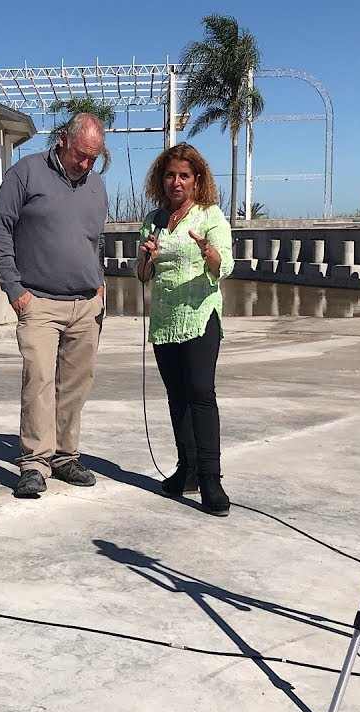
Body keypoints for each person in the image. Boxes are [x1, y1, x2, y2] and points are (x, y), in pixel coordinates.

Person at [0, 113, 109, 499]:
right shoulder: (25, 174)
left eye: (94, 158)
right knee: (38, 381)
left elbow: (95, 241)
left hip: (86, 305)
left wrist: (100, 283)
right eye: (81, 155)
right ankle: (35, 464)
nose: (86, 165)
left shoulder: (96, 187)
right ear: (62, 140)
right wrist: (14, 289)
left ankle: (65, 457)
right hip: (38, 301)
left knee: (75, 385)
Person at [135, 143, 234, 516]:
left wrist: (209, 253)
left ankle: (211, 478)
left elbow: (224, 266)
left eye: (184, 176)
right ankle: (187, 469)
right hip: (164, 318)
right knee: (177, 395)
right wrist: (147, 258)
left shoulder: (209, 216)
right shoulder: (154, 219)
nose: (176, 182)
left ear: (197, 181)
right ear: (162, 179)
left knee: (200, 393)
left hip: (199, 315)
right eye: (170, 175)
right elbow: (142, 275)